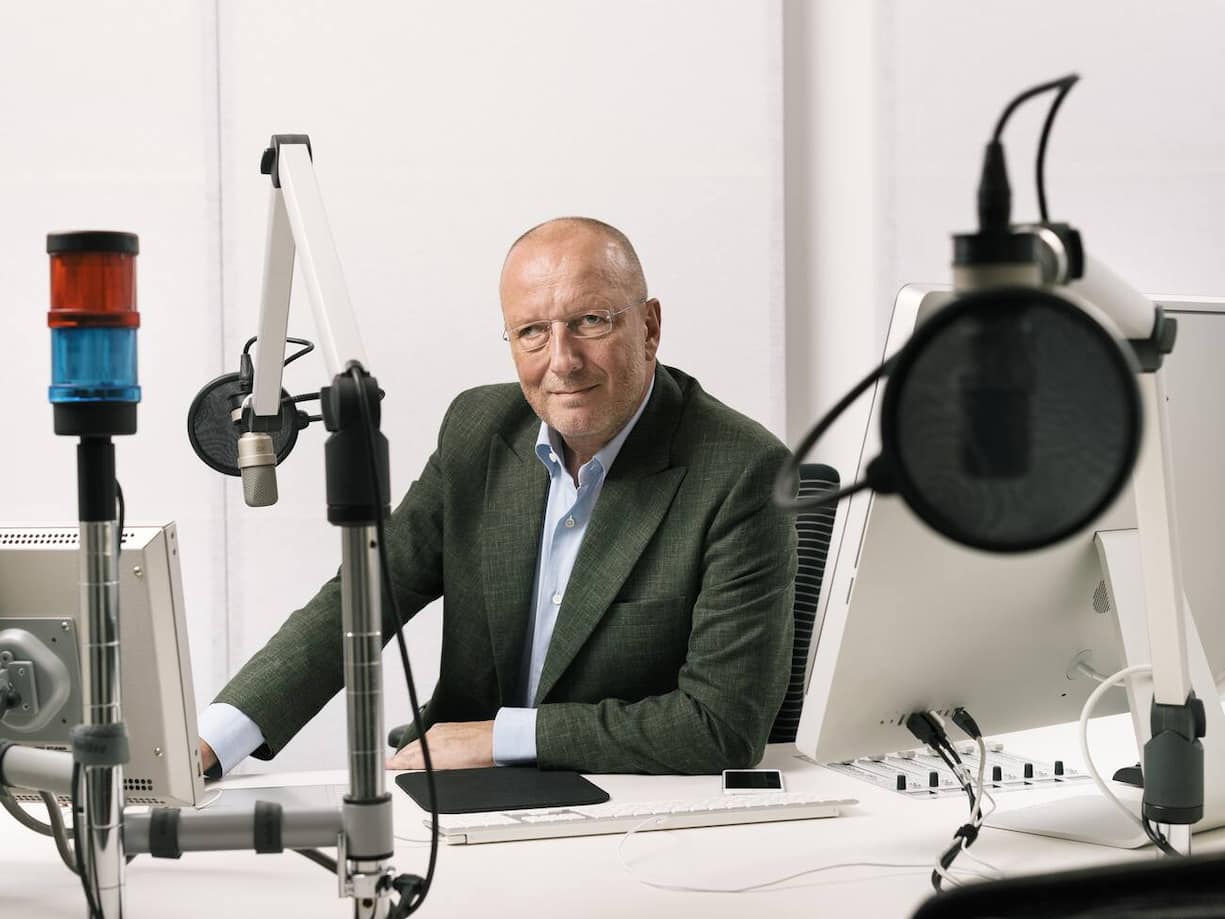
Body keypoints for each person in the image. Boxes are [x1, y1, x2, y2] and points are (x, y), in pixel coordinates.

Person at [198, 217, 796, 776]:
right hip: (462, 795)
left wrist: (503, 738)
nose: (562, 360)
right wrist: (211, 741)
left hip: (631, 806)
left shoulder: (741, 471)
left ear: (650, 327)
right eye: (533, 332)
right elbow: (365, 594)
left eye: (592, 321)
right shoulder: (479, 429)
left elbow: (723, 727)